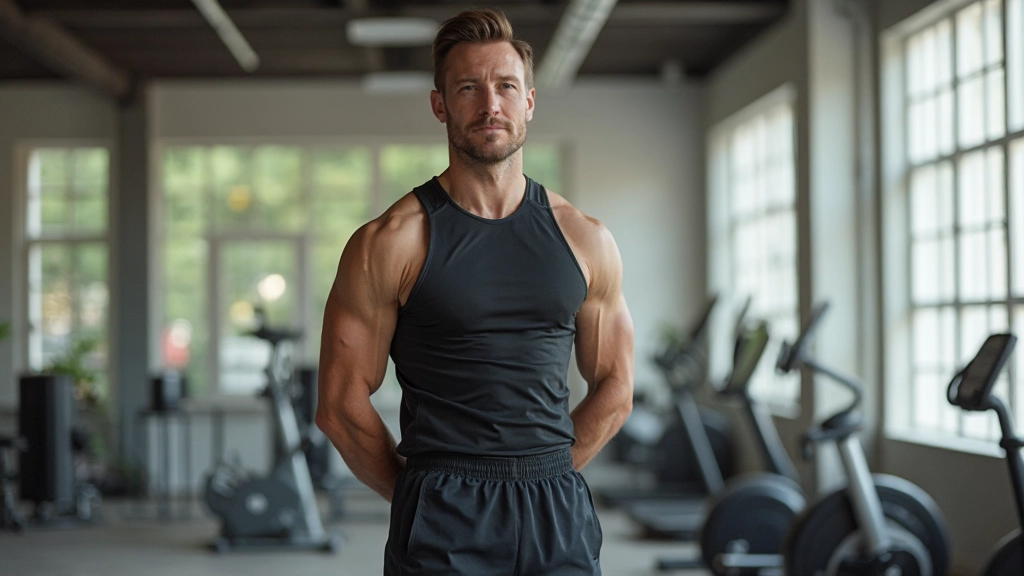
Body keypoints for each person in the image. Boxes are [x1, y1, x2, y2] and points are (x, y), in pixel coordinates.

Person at [316, 8, 634, 575]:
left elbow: (615, 385)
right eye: (468, 88)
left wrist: (550, 470)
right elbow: (340, 406)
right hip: (443, 510)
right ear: (440, 104)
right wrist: (420, 495)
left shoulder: (586, 239)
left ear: (529, 101)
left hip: (555, 511)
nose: (491, 105)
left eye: (506, 87)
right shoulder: (390, 242)